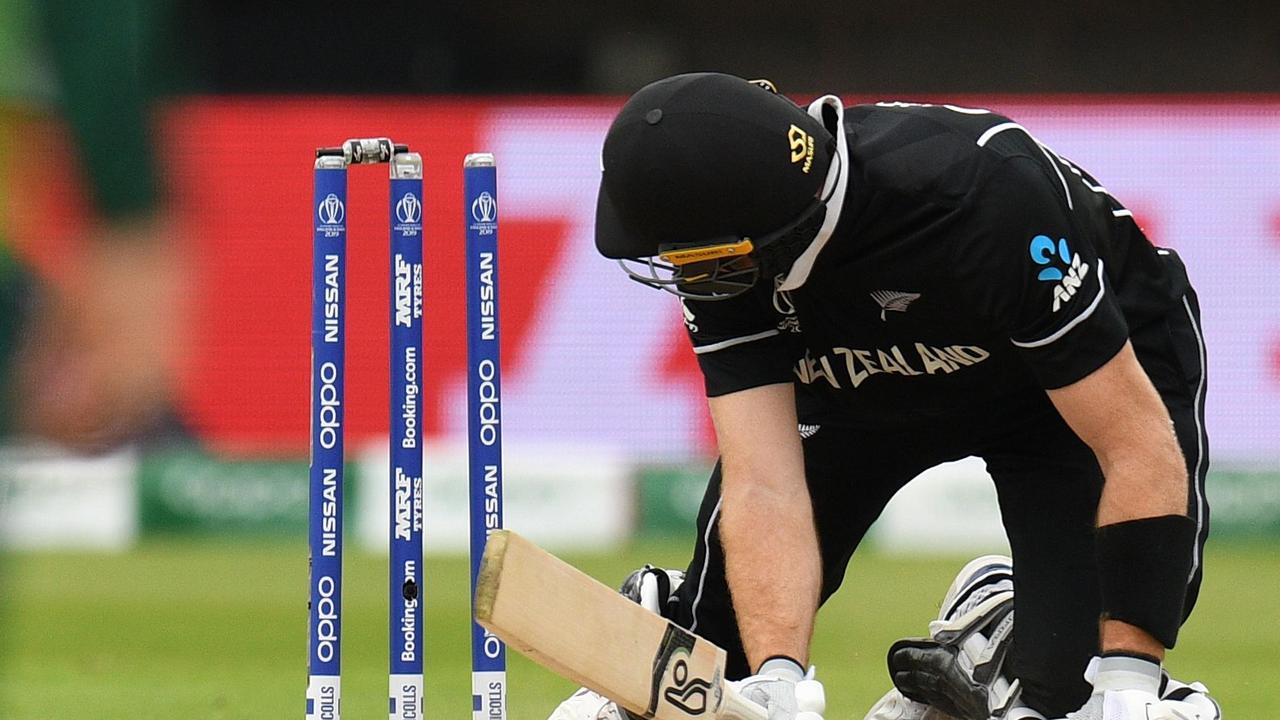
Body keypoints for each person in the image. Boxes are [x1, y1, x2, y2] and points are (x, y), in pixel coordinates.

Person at [553, 72, 1218, 720]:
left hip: (1054, 391)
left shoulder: (984, 196)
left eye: (696, 260)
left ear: (771, 231)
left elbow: (1134, 443)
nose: (682, 273)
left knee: (1071, 689)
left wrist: (1129, 689)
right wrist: (776, 682)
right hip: (853, 387)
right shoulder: (731, 261)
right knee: (714, 660)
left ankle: (1003, 631)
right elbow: (764, 481)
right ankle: (677, 614)